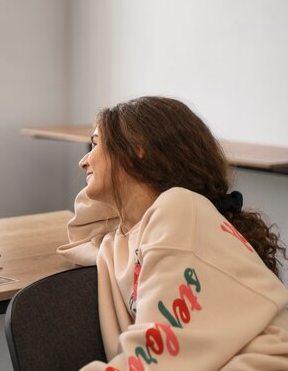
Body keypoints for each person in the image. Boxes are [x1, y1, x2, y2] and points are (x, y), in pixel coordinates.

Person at [57, 96, 288, 370]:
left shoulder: (179, 210)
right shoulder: (122, 240)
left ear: (135, 148)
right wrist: (113, 188)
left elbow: (156, 359)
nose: (83, 161)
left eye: (95, 144)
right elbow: (82, 235)